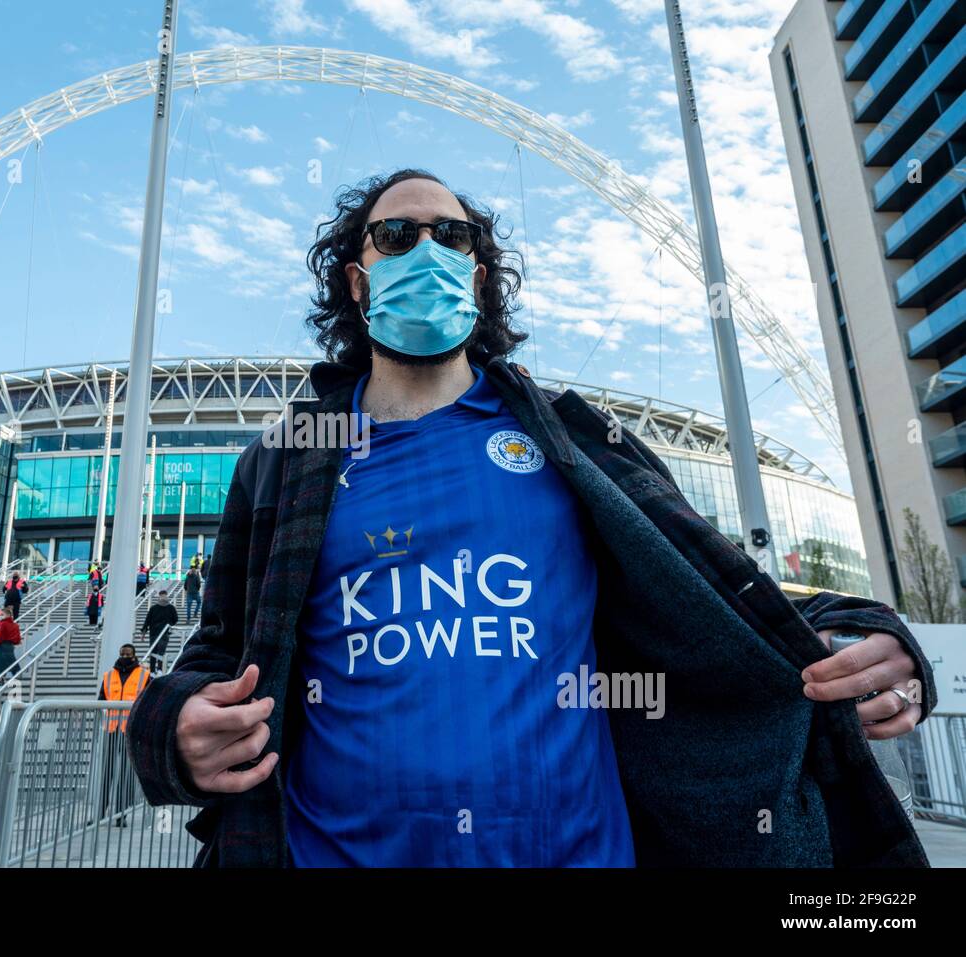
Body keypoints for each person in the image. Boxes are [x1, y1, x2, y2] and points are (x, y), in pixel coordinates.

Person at [126, 169, 936, 869]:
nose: (428, 250)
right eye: (398, 234)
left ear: (479, 275)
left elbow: (721, 596)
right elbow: (216, 655)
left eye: (453, 234)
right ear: (357, 281)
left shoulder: (576, 441)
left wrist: (867, 633)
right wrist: (171, 732)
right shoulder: (287, 460)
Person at [98, 644, 151, 824]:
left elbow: (149, 703)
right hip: (112, 730)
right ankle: (100, 813)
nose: (125, 656)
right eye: (122, 653)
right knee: (107, 773)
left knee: (126, 775)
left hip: (131, 732)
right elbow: (101, 701)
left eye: (128, 654)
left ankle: (122, 815)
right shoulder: (108, 676)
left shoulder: (144, 676)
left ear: (135, 656)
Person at [142, 590, 179, 674]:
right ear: (160, 596)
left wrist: (169, 625)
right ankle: (154, 670)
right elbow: (147, 620)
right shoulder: (154, 608)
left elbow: (176, 619)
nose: (163, 597)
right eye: (162, 595)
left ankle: (158, 669)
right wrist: (143, 633)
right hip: (156, 633)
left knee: (159, 651)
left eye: (164, 595)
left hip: (162, 633)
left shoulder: (170, 608)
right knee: (155, 651)